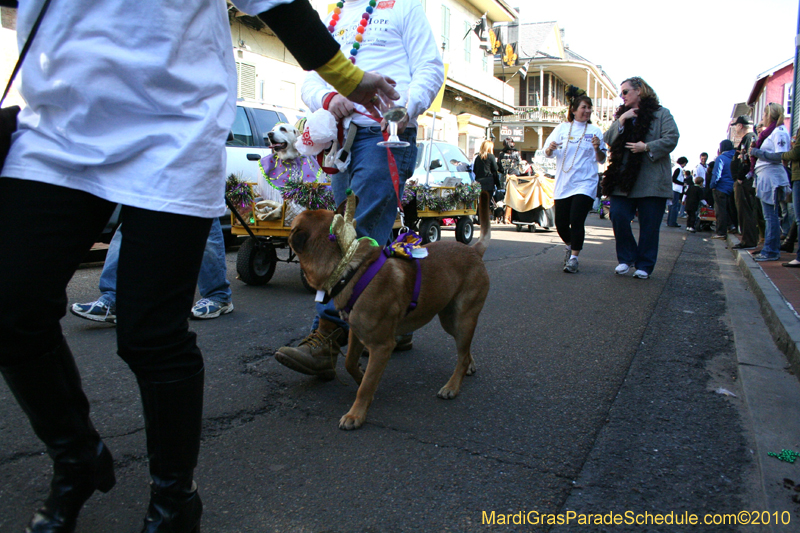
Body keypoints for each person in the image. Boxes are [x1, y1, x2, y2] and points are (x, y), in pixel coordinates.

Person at [0, 0, 400, 531]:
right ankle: (75, 457)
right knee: (11, 308)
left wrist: (346, 78)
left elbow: (276, 3)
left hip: (173, 126)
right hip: (55, 126)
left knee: (150, 334)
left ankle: (173, 500)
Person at [274, 0, 444, 378]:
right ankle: (391, 321)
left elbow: (430, 68)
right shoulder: (336, 13)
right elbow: (312, 78)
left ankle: (327, 337)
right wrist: (330, 98)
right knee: (355, 238)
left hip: (384, 135)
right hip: (343, 140)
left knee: (356, 238)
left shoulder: (404, 7)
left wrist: (401, 112)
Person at [71, 220, 233, 324]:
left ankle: (218, 295)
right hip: (151, 171)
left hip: (193, 172)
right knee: (130, 225)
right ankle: (114, 300)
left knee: (203, 220)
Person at [600, 76, 679, 279]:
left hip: (651, 180)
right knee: (617, 215)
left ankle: (644, 265)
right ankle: (626, 258)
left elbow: (672, 138)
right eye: (621, 93)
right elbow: (608, 140)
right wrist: (622, 120)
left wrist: (647, 147)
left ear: (640, 91)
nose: (622, 96)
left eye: (625, 91)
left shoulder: (661, 114)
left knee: (649, 225)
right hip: (622, 180)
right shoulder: (622, 115)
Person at [543, 86, 607, 273]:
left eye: (589, 108)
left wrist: (597, 148)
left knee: (576, 220)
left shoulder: (595, 130)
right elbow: (547, 152)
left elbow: (601, 159)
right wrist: (551, 148)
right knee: (561, 223)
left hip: (586, 182)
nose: (587, 111)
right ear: (573, 110)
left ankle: (573, 259)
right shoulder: (562, 129)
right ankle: (571, 245)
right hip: (564, 183)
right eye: (584, 107)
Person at [748, 103, 791, 261]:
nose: (762, 118)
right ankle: (770, 248)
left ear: (769, 115)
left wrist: (757, 152)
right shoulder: (772, 132)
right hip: (767, 176)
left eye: (764, 114)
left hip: (772, 177)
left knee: (770, 216)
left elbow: (781, 156)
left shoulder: (779, 132)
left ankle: (771, 251)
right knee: (770, 215)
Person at [752, 128, 800, 266]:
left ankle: (772, 250)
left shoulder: (778, 131)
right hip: (780, 176)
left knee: (775, 215)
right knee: (780, 216)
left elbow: (792, 153)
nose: (760, 127)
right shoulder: (777, 132)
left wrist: (760, 153)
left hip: (777, 177)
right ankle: (776, 246)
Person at [730, 115, 758, 250]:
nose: (735, 128)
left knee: (745, 211)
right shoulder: (750, 137)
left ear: (740, 125)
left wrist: (741, 177)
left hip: (744, 182)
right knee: (744, 211)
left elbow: (747, 159)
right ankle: (748, 239)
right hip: (744, 180)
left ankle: (748, 240)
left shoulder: (748, 138)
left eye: (735, 125)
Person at [709, 140, 736, 240]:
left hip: (721, 187)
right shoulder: (734, 157)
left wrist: (712, 185)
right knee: (729, 209)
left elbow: (717, 174)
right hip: (732, 187)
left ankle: (721, 232)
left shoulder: (721, 158)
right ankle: (731, 225)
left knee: (720, 210)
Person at [667, 156, 688, 227]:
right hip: (676, 189)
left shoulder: (674, 168)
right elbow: (674, 179)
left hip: (672, 188)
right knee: (674, 206)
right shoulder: (679, 169)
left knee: (671, 206)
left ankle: (669, 221)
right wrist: (683, 184)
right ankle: (673, 222)